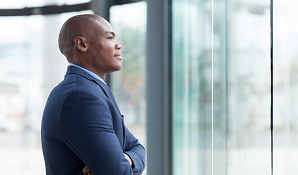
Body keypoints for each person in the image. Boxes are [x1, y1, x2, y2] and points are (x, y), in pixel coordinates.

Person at [41, 14, 146, 175]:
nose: (118, 45)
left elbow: (137, 148)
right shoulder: (81, 97)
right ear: (82, 44)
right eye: (110, 38)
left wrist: (126, 159)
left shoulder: (87, 90)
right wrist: (122, 163)